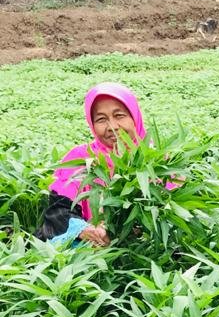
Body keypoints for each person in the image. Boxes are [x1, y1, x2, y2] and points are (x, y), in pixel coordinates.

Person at [35, 82, 146, 247]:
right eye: (101, 119)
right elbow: (59, 212)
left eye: (119, 115)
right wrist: (85, 230)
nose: (112, 127)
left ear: (134, 116)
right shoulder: (80, 158)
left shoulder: (157, 161)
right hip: (91, 248)